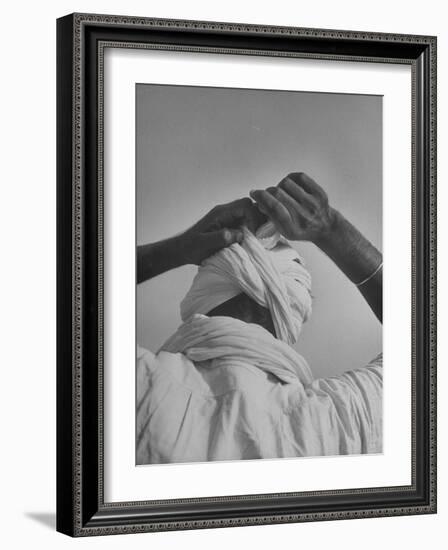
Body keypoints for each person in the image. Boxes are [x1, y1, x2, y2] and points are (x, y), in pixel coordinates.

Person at [136, 172, 383, 464]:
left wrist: (178, 249)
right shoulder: (339, 420)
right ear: (297, 307)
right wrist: (330, 227)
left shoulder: (141, 384)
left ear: (201, 288)